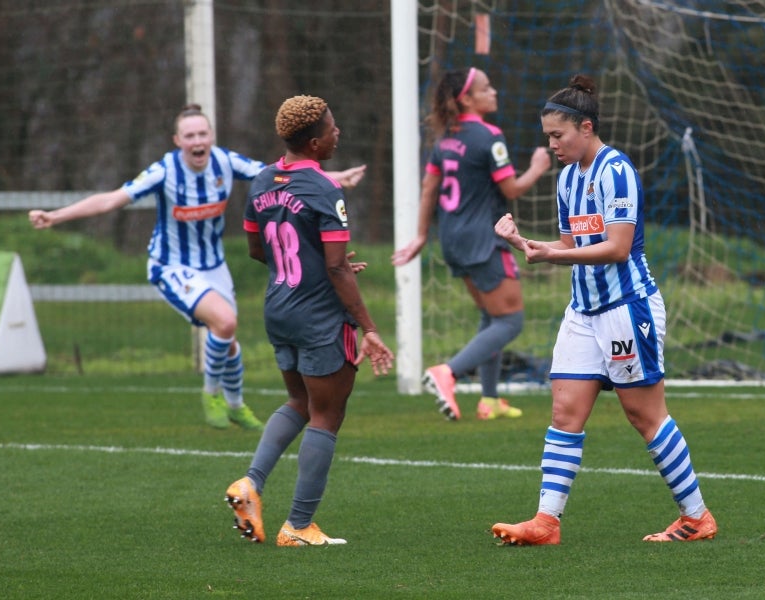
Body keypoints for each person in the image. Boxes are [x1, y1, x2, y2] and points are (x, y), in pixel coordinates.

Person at [28, 104, 366, 431]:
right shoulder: (165, 171)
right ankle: (211, 396)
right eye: (189, 136)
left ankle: (235, 406)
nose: (197, 141)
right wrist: (56, 215)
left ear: (211, 136)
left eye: (203, 134)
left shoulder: (224, 161)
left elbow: (281, 175)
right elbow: (112, 199)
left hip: (213, 266)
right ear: (177, 141)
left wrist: (335, 178)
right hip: (171, 265)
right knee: (226, 321)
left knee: (228, 338)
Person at [490, 74, 717, 545]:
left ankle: (696, 517)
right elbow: (573, 245)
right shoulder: (568, 179)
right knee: (564, 412)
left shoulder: (617, 171)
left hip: (626, 309)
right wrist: (526, 243)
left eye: (558, 135)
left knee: (644, 415)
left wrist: (551, 255)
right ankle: (545, 523)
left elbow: (615, 248)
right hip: (583, 311)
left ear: (586, 127)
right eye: (548, 137)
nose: (552, 145)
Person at [224, 95, 394, 547]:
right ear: (316, 142)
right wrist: (369, 327)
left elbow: (259, 250)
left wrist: (314, 266)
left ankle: (250, 485)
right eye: (333, 128)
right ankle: (298, 526)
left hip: (278, 307)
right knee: (326, 413)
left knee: (299, 401)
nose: (339, 133)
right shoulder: (323, 189)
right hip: (319, 314)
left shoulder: (262, 181)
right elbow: (337, 267)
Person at [392, 67, 552, 421]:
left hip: (452, 238)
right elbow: (511, 189)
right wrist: (538, 167)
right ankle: (447, 373)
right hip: (483, 238)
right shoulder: (489, 136)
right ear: (467, 98)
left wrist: (421, 236)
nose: (494, 91)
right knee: (510, 321)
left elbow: (429, 189)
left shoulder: (446, 138)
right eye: (486, 87)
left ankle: (490, 400)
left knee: (491, 315)